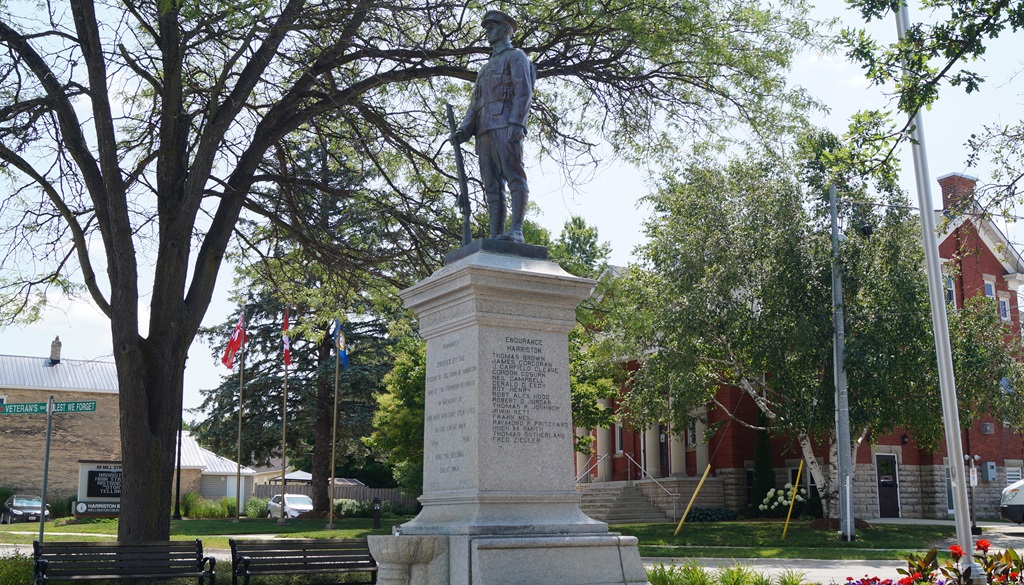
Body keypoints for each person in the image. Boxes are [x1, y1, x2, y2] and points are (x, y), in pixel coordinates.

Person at [453, 9, 534, 243]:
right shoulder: (485, 69)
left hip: (506, 124)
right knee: (491, 186)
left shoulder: (516, 56)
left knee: (514, 177)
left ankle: (516, 230)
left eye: (493, 26)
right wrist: (464, 129)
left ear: (507, 30)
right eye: (487, 27)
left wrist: (517, 122)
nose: (488, 31)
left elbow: (523, 92)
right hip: (484, 130)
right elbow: (475, 103)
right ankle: (495, 234)